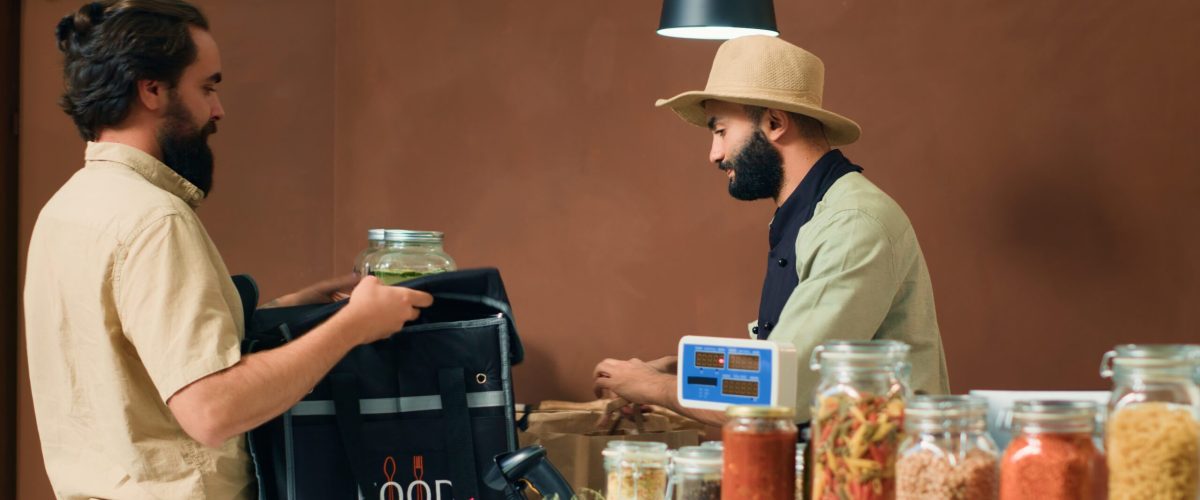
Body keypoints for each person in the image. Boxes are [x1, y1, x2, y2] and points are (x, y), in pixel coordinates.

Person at [23, 1, 431, 497]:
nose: (218, 109)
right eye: (207, 86)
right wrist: (352, 326)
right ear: (151, 89)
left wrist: (293, 311)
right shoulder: (155, 219)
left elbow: (140, 359)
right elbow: (212, 410)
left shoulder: (67, 208)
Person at [593, 36, 950, 427]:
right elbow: (783, 356)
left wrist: (653, 387)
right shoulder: (816, 213)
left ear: (775, 123)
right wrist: (684, 371)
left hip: (874, 478)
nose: (714, 154)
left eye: (721, 130)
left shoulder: (853, 223)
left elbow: (777, 390)